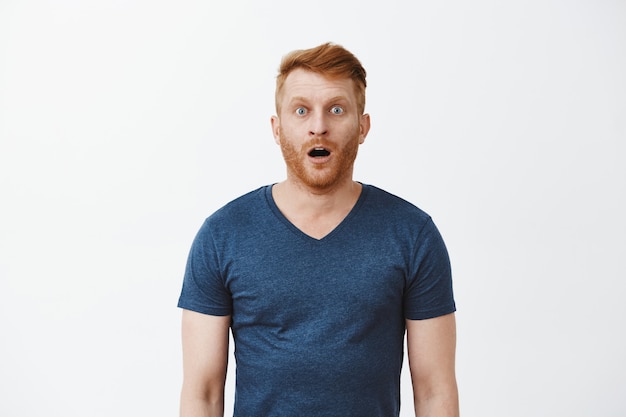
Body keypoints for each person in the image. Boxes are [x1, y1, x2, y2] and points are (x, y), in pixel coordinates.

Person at [178, 42, 459, 417]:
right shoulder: (222, 236)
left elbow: (435, 392)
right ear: (277, 129)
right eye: (301, 110)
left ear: (363, 127)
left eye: (337, 109)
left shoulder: (413, 235)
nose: (318, 126)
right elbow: (203, 394)